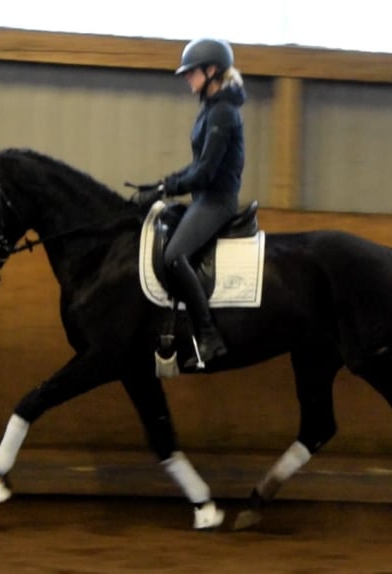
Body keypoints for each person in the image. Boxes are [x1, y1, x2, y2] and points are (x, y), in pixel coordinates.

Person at [156, 37, 247, 369]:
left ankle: (208, 337)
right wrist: (163, 184)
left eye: (191, 72)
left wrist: (170, 187)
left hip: (216, 201)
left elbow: (206, 173)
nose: (186, 78)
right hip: (202, 199)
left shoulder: (223, 112)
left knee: (175, 256)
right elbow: (195, 166)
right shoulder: (210, 109)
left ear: (212, 71)